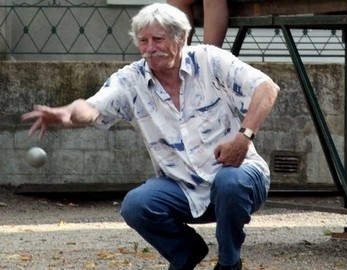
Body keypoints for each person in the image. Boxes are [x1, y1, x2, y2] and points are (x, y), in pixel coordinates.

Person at [22, 3, 279, 270]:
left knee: (229, 181)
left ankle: (229, 262)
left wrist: (243, 137)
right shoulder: (131, 80)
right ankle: (186, 252)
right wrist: (69, 113)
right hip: (184, 187)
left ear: (180, 38)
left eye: (158, 39)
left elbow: (266, 88)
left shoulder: (209, 60)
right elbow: (94, 106)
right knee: (137, 204)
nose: (149, 48)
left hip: (240, 177)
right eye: (143, 41)